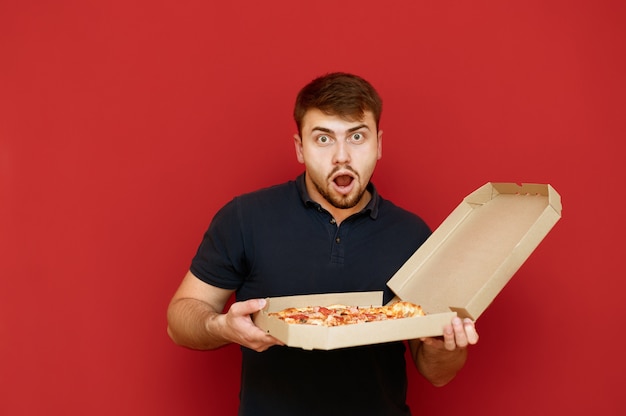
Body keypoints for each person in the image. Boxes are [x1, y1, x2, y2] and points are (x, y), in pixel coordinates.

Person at [167, 72, 479, 416]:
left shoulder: (413, 234)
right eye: (323, 139)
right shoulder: (244, 218)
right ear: (300, 148)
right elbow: (179, 320)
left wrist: (448, 345)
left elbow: (436, 373)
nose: (341, 157)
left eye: (357, 136)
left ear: (379, 144)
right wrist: (221, 326)